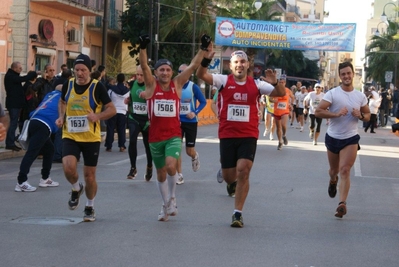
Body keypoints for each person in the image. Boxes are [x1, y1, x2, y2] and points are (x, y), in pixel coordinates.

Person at [197, 48, 286, 228]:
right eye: (236, 62)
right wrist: (206, 59)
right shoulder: (223, 81)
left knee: (244, 169)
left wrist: (275, 82)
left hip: (248, 134)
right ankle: (230, 181)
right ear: (231, 66)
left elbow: (280, 93)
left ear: (248, 65)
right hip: (228, 134)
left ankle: (237, 213)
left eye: (243, 62)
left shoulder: (257, 84)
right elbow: (201, 74)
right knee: (230, 176)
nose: (240, 65)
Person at [138, 34, 210, 222]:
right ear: (156, 73)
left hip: (173, 135)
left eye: (168, 70)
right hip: (155, 137)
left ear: (172, 72)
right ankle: (165, 204)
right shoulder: (151, 85)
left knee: (171, 166)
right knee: (160, 172)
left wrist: (202, 48)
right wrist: (143, 47)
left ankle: (172, 198)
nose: (165, 73)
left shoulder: (177, 84)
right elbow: (144, 66)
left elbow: (194, 66)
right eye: (161, 70)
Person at [55, 54, 116, 222]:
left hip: (90, 138)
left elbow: (112, 109)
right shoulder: (68, 85)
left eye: (83, 70)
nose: (80, 74)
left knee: (89, 176)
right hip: (70, 134)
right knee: (68, 168)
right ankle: (76, 188)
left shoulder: (97, 87)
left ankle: (90, 206)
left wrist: (98, 116)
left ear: (90, 71)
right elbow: (62, 102)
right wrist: (61, 117)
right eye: (77, 70)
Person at [315, 61, 370, 219]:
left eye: (349, 73)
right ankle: (333, 180)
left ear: (353, 74)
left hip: (350, 138)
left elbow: (367, 116)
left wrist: (360, 115)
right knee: (334, 171)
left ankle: (342, 204)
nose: (346, 76)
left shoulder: (360, 96)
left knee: (345, 169)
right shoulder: (332, 94)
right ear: (340, 76)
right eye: (343, 74)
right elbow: (318, 112)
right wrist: (336, 114)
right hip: (333, 137)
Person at [15, 87, 62, 192]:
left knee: (50, 149)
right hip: (43, 125)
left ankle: (45, 178)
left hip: (34, 121)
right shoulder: (65, 97)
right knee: (32, 153)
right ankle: (21, 182)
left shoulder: (51, 95)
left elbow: (59, 86)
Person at [176, 63, 207, 185]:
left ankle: (194, 156)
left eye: (185, 72)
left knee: (189, 150)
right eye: (179, 71)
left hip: (190, 122)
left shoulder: (193, 87)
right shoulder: (174, 86)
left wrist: (195, 112)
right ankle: (179, 175)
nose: (182, 74)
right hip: (177, 122)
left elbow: (203, 102)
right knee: (176, 149)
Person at [125, 66, 153, 180]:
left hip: (147, 120)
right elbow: (131, 97)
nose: (139, 77)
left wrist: (148, 96)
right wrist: (128, 100)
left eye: (142, 75)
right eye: (137, 74)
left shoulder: (152, 85)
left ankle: (150, 166)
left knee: (148, 146)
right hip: (134, 117)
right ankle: (133, 168)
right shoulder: (132, 84)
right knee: (132, 140)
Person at [4, 62, 37, 151]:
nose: (21, 69)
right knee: (13, 123)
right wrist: (34, 73)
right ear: (14, 68)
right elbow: (23, 78)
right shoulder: (10, 76)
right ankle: (10, 143)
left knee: (14, 123)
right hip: (13, 104)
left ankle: (11, 142)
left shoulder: (13, 76)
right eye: (19, 68)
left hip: (16, 104)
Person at [105, 73, 130, 152]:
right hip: (122, 112)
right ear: (123, 80)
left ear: (117, 79)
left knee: (110, 128)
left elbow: (107, 99)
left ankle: (109, 146)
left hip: (112, 111)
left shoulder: (111, 90)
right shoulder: (127, 91)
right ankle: (122, 146)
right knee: (121, 129)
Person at [272, 75, 295, 150]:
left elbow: (292, 97)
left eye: (283, 82)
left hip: (285, 110)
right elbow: (271, 98)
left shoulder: (288, 90)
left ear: (285, 83)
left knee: (283, 124)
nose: (281, 83)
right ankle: (280, 142)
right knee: (278, 127)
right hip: (276, 111)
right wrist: (272, 100)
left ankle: (284, 135)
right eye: (280, 82)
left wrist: (291, 104)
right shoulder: (275, 90)